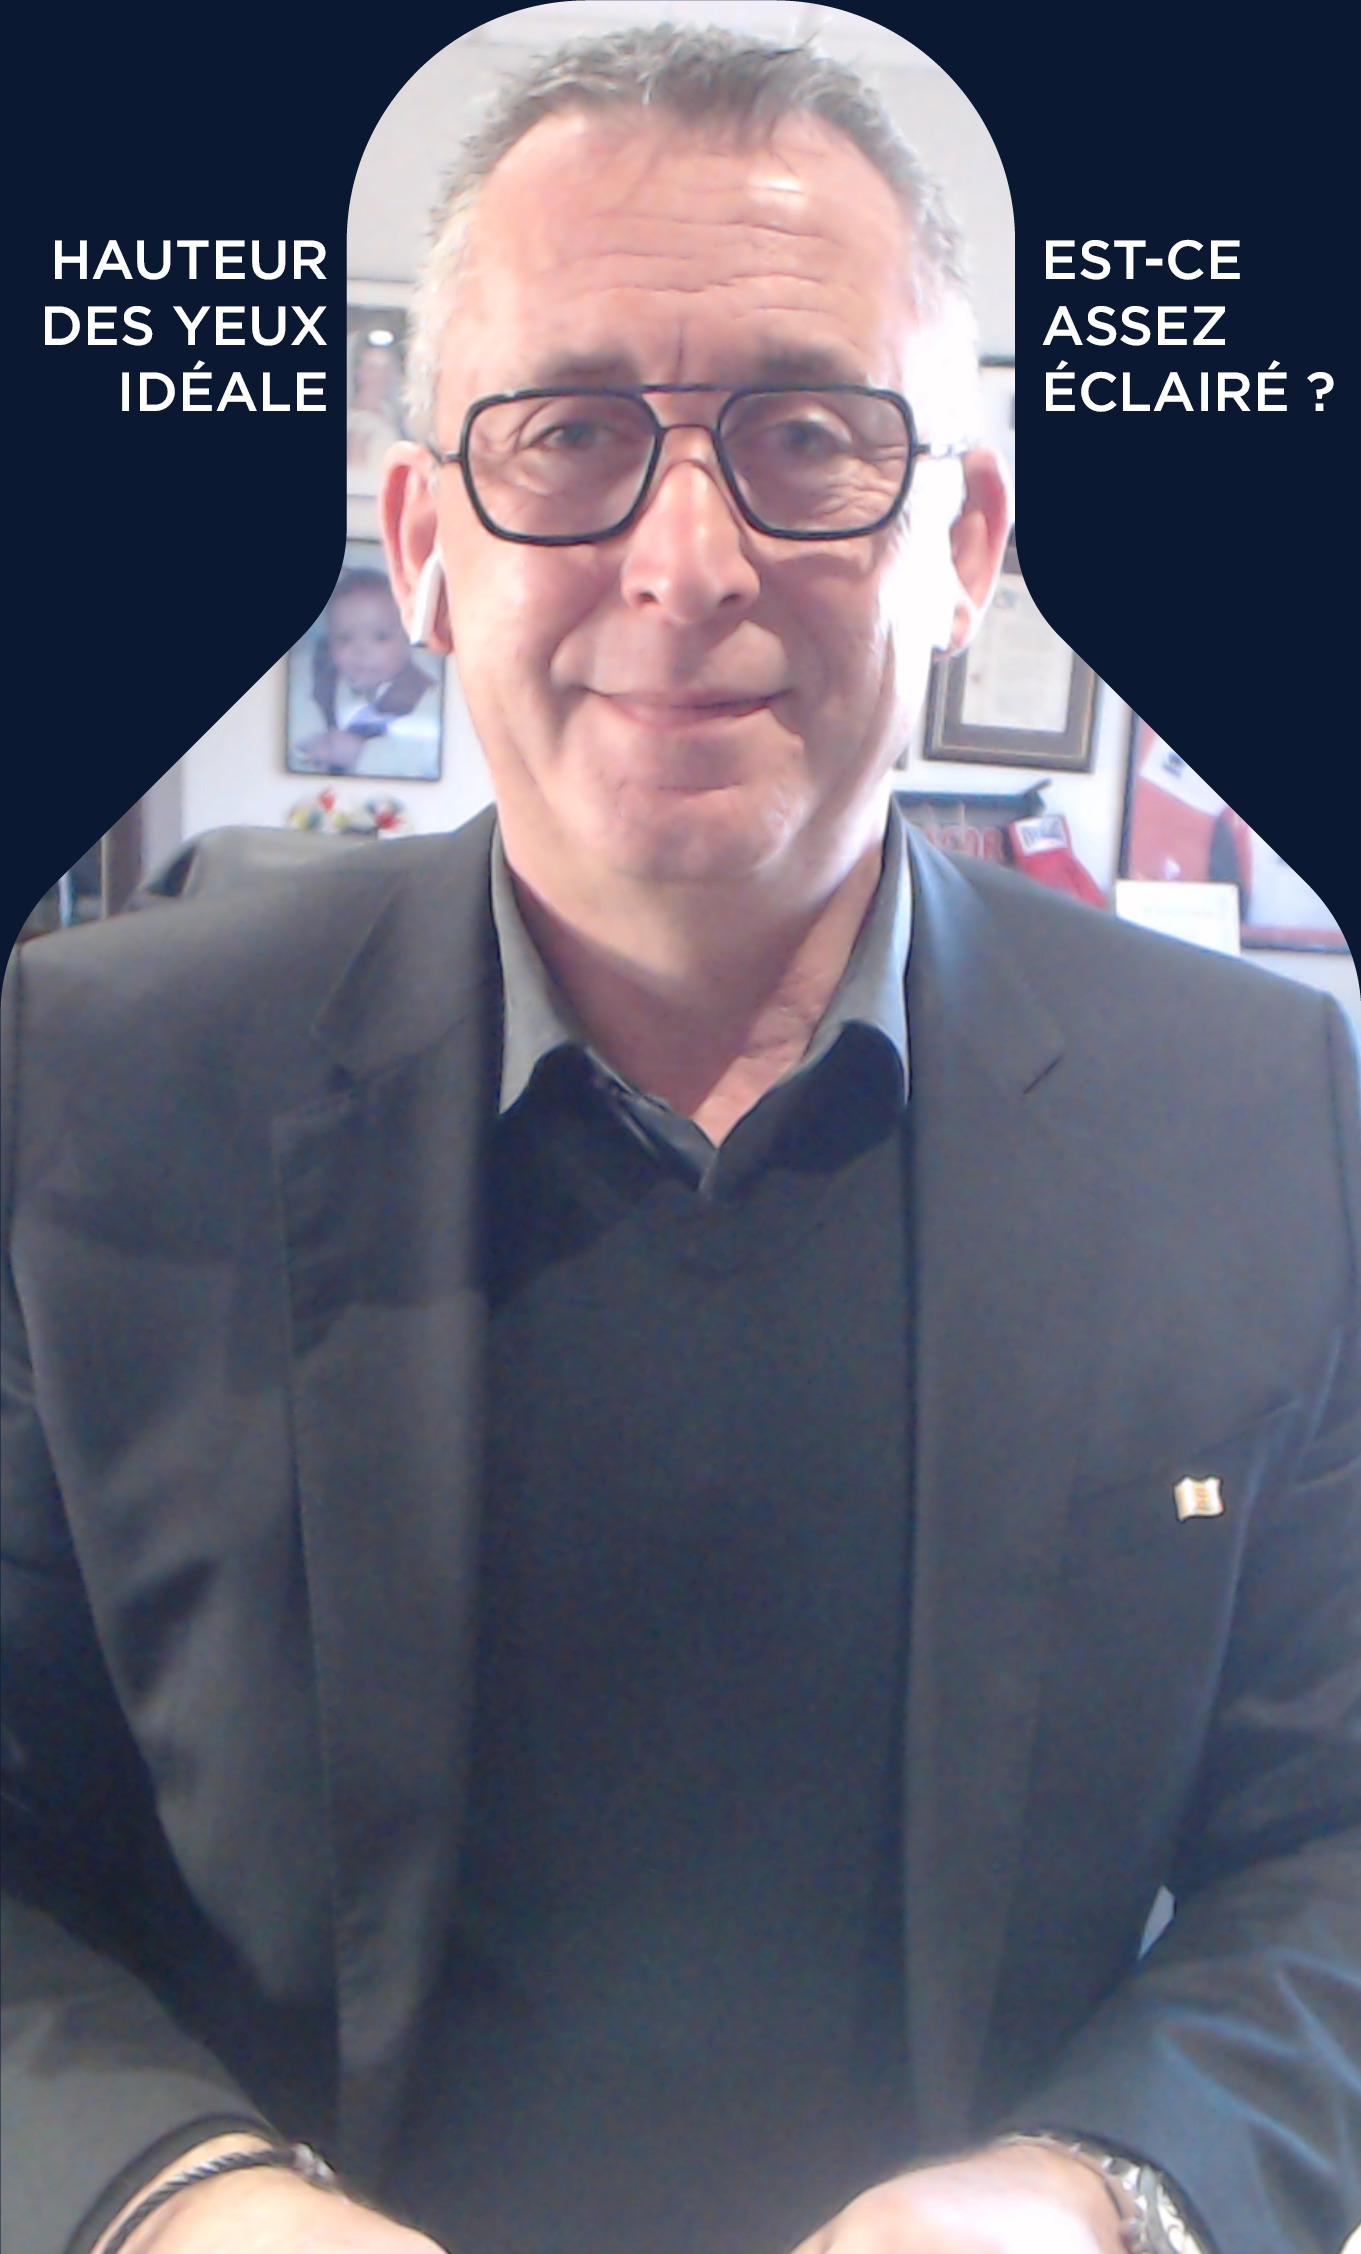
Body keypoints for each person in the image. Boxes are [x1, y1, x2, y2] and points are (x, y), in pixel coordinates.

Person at [3, 26, 1358, 2254]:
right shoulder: (89, 1091)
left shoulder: (1255, 1114)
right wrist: (174, 2196)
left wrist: (1100, 2191)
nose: (686, 555)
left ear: (961, 542)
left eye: (807, 437)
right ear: (424, 544)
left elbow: (1324, 1845)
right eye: (569, 438)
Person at [289, 569, 442, 779]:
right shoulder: (319, 685)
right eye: (344, 638)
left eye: (380, 637)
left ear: (408, 641)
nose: (361, 651)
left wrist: (362, 754)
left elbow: (424, 756)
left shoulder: (426, 695)